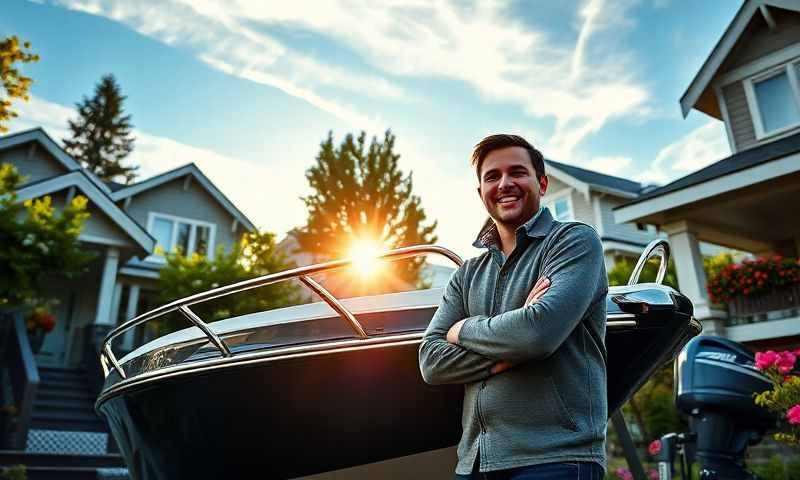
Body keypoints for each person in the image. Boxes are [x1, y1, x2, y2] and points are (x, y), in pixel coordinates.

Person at [418, 134, 608, 480]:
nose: (505, 184)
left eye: (517, 172)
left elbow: (536, 335)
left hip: (556, 459)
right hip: (474, 463)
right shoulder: (467, 274)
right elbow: (431, 361)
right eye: (492, 176)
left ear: (543, 183)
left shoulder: (573, 242)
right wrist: (513, 343)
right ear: (481, 193)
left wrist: (463, 329)